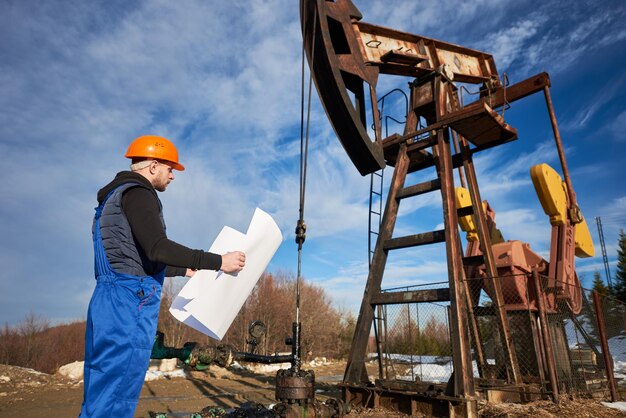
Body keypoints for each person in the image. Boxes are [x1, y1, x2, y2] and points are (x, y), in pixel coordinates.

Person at [79, 135, 245, 417]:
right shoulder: (139, 193)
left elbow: (134, 256)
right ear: (153, 166)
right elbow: (158, 248)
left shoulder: (111, 199)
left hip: (108, 301)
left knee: (101, 392)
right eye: (170, 168)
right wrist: (219, 262)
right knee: (117, 396)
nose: (173, 176)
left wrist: (184, 269)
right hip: (129, 305)